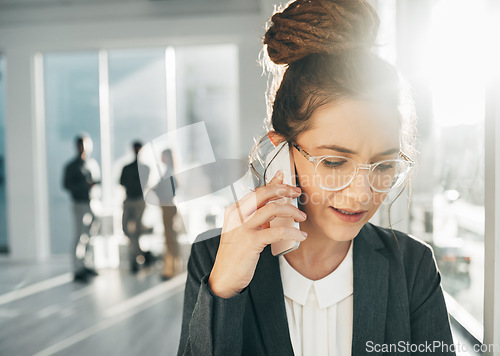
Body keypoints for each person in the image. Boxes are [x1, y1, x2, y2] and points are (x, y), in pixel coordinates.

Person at [177, 0, 456, 355]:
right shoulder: (213, 259)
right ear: (280, 153)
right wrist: (223, 291)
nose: (361, 193)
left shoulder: (412, 267)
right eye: (335, 162)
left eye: (384, 166)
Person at [63, 134, 100, 283]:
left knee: (91, 235)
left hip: (92, 202)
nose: (83, 148)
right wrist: (84, 186)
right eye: (80, 145)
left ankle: (88, 264)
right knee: (80, 235)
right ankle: (77, 269)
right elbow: (66, 185)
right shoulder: (71, 166)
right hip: (79, 203)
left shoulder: (91, 163)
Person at [120, 141, 152, 273]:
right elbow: (122, 182)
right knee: (126, 230)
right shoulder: (126, 167)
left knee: (136, 231)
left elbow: (143, 183)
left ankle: (134, 260)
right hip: (129, 200)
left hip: (139, 201)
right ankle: (143, 255)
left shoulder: (145, 168)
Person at [155, 149, 182, 280]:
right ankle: (173, 266)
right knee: (171, 236)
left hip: (168, 206)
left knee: (169, 238)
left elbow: (168, 190)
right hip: (168, 206)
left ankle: (169, 269)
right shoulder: (169, 171)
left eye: (162, 156)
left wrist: (156, 189)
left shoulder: (168, 173)